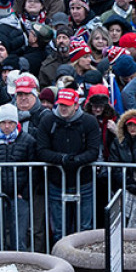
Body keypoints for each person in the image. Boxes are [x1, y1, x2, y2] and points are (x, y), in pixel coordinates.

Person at [34, 88, 102, 241]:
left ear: (76, 105)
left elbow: (93, 151)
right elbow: (42, 150)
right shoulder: (48, 121)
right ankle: (62, 260)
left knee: (85, 229)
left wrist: (76, 160)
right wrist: (62, 159)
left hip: (84, 181)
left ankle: (85, 261)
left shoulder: (89, 121)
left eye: (67, 105)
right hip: (57, 182)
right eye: (60, 104)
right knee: (59, 230)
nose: (63, 108)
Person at [0, 104, 38, 250]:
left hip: (19, 194)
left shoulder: (28, 140)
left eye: (10, 122)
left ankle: (21, 263)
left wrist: (25, 193)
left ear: (16, 123)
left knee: (19, 235)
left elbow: (34, 170)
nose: (7, 126)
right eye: (3, 122)